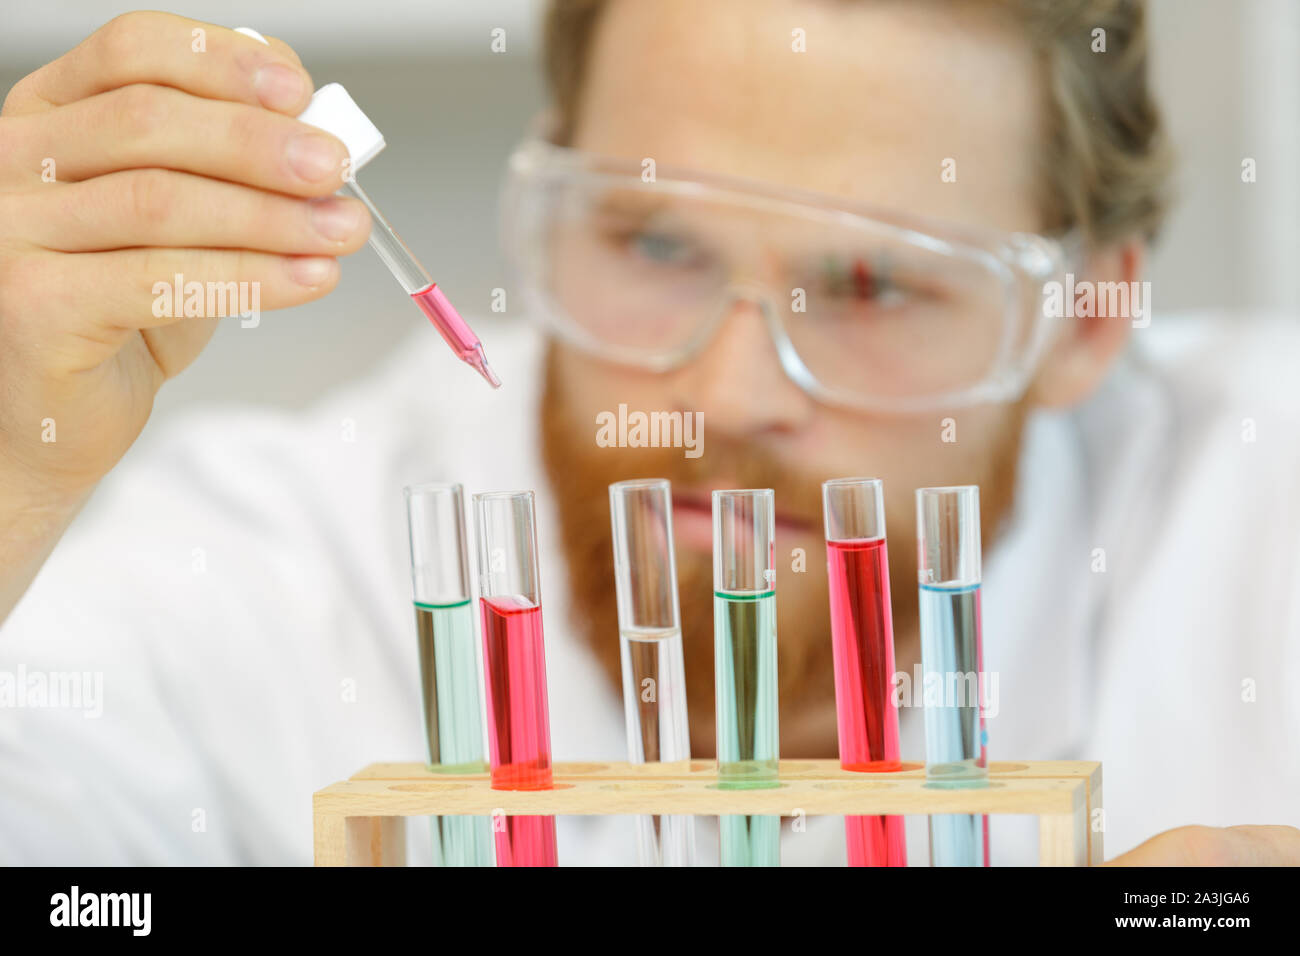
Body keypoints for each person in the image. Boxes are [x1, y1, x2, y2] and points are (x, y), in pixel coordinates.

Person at [0, 1, 1296, 866]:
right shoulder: (277, 555)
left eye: (873, 285)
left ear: (1084, 319)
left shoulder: (1260, 512)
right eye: (658, 242)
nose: (730, 393)